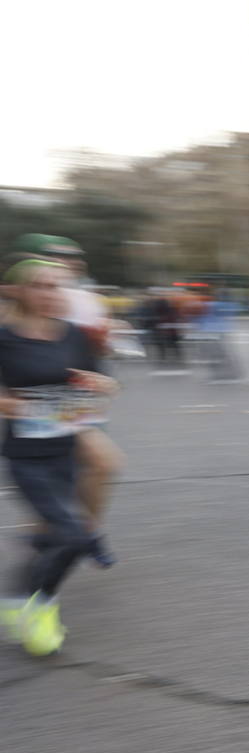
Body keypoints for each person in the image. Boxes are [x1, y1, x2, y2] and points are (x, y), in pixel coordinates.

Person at [0, 259, 118, 656]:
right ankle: (40, 608)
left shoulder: (74, 336)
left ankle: (18, 605)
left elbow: (101, 382)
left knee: (55, 538)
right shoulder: (5, 338)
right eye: (41, 286)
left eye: (57, 286)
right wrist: (13, 406)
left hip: (68, 451)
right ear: (20, 291)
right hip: (28, 456)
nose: (50, 293)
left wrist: (102, 384)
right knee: (72, 536)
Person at [12, 236, 122, 567]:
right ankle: (57, 543)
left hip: (69, 406)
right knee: (53, 489)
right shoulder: (15, 309)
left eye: (71, 258)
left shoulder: (83, 301)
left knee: (105, 464)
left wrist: (101, 363)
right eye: (59, 257)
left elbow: (94, 362)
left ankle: (84, 532)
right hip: (27, 411)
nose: (68, 262)